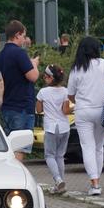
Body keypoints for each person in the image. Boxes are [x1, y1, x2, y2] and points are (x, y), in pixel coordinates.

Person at [67, 36, 104, 196]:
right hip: (103, 110)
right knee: (99, 147)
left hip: (83, 111)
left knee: (87, 147)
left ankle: (94, 184)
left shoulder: (76, 68)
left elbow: (70, 95)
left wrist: (79, 100)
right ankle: (98, 180)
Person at [0, 20, 40, 161]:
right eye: (23, 36)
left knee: (9, 147)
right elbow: (33, 76)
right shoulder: (20, 53)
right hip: (22, 107)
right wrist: (34, 64)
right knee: (20, 148)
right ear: (17, 35)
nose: (24, 39)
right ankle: (17, 181)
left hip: (7, 106)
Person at [36, 65, 70, 194]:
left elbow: (38, 110)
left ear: (51, 78)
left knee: (49, 155)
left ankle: (57, 180)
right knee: (60, 156)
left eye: (45, 76)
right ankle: (60, 185)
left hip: (51, 128)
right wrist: (73, 109)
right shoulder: (65, 91)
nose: (44, 77)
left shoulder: (43, 92)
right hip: (64, 127)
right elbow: (65, 111)